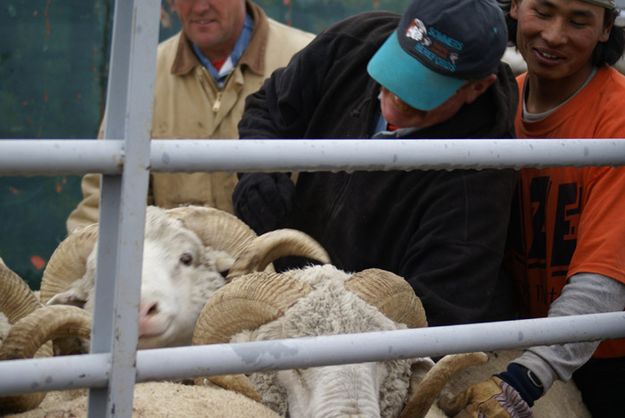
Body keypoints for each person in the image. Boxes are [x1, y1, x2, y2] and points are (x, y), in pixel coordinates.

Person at [232, 0, 520, 328]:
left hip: (357, 335)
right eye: (397, 68)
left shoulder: (480, 175)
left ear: (478, 87)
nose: (395, 95)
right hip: (287, 291)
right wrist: (260, 172)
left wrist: (324, 327)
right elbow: (269, 107)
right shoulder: (354, 42)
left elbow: (435, 312)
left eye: (422, 87)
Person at [444, 1, 625, 417]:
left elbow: (604, 279)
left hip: (607, 359)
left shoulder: (616, 119)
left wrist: (524, 379)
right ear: (515, 9)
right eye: (542, 12)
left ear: (605, 28)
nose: (555, 35)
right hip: (516, 343)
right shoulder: (497, 105)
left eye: (578, 21)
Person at [66, 0, 314, 233]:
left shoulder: (307, 60)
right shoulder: (142, 73)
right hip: (173, 275)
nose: (200, 7)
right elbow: (103, 204)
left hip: (282, 274)